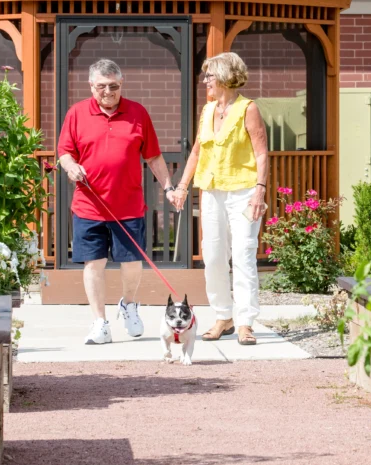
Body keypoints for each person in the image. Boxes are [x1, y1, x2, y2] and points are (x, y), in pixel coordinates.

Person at [58, 58, 177, 345]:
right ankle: (100, 322)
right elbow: (64, 152)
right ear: (91, 86)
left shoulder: (137, 113)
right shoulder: (76, 113)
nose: (108, 92)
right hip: (89, 205)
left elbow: (153, 157)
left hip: (128, 205)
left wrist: (169, 187)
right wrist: (71, 167)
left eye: (113, 86)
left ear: (121, 84)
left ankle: (129, 305)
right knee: (93, 264)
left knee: (132, 262)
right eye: (101, 86)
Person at [169, 52, 268, 345]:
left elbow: (262, 152)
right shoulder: (208, 110)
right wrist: (182, 187)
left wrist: (260, 190)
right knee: (212, 257)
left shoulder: (248, 109)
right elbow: (198, 152)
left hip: (244, 191)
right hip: (211, 191)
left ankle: (245, 322)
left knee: (242, 255)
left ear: (224, 76)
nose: (205, 81)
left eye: (209, 76)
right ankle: (223, 316)